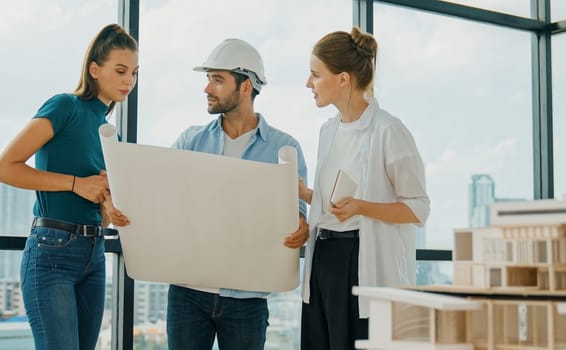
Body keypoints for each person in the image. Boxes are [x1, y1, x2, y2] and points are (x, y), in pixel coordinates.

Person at [0, 24, 138, 350]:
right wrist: (76, 184)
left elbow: (99, 209)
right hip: (51, 253)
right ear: (95, 69)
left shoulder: (109, 134)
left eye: (134, 72)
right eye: (120, 70)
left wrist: (108, 208)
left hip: (94, 253)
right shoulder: (64, 107)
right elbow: (4, 168)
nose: (129, 80)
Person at [168, 38, 309, 350]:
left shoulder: (284, 148)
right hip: (188, 292)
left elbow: (297, 210)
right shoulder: (190, 141)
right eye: (208, 79)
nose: (207, 88)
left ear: (246, 87)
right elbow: (165, 197)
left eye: (218, 80)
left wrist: (300, 223)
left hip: (247, 296)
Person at [298, 27, 430, 349]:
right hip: (323, 257)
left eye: (315, 74)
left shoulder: (389, 131)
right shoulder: (328, 132)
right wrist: (306, 194)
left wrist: (361, 207)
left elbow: (418, 208)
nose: (308, 84)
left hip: (360, 259)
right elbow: (338, 207)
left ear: (343, 79)